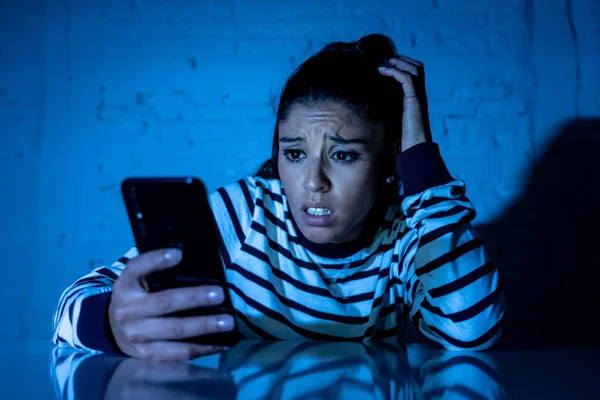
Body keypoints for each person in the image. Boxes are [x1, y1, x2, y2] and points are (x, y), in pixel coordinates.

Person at [52, 33, 505, 360]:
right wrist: (112, 324)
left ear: (388, 159)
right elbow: (71, 305)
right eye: (294, 153)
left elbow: (471, 329)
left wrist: (421, 162)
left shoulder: (407, 236)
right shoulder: (245, 213)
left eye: (344, 156)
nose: (313, 182)